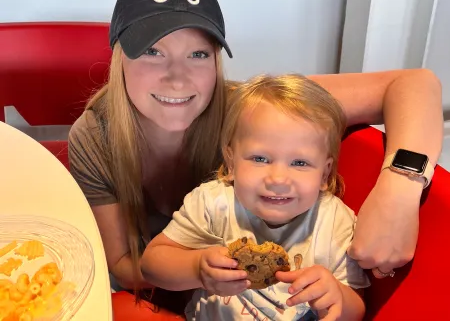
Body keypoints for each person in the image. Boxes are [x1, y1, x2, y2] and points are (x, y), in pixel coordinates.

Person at [68, 0, 443, 305]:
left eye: (198, 54)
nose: (177, 78)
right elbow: (123, 264)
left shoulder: (249, 113)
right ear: (119, 57)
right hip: (169, 293)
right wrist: (197, 267)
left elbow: (413, 83)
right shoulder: (94, 135)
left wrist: (399, 191)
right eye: (152, 51)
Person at [141, 74, 370, 321]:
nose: (278, 179)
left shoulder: (336, 222)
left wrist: (336, 297)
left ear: (324, 174)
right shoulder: (213, 202)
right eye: (260, 159)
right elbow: (151, 265)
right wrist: (197, 268)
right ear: (230, 162)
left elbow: (356, 309)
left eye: (300, 162)